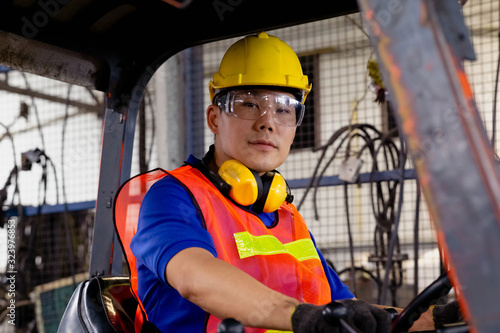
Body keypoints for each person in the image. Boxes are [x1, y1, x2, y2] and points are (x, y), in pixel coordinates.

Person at [130, 32, 441, 333]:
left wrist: (433, 319)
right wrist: (302, 317)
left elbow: (346, 309)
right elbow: (194, 277)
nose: (267, 121)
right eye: (248, 104)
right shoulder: (174, 196)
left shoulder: (287, 215)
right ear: (214, 118)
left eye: (283, 109)